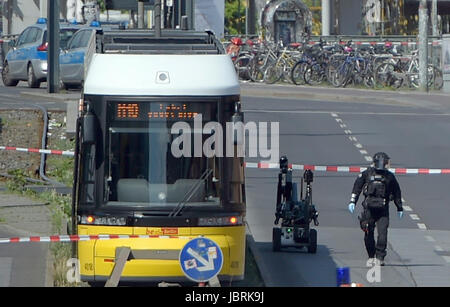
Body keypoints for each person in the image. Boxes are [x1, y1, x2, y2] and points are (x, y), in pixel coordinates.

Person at [347, 152, 403, 266]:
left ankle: (378, 257)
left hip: (377, 210)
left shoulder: (371, 174)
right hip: (373, 210)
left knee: (380, 234)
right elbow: (397, 193)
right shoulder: (384, 176)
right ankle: (374, 257)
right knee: (373, 234)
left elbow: (357, 187)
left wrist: (399, 207)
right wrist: (352, 201)